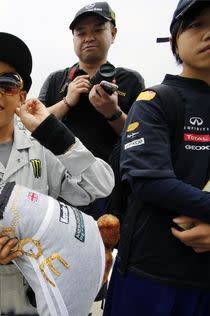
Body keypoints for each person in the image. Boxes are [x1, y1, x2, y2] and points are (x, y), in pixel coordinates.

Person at [0, 31, 114, 315]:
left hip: (35, 294)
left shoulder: (45, 152)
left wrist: (54, 132)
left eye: (8, 83)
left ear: (22, 96)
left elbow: (101, 186)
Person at [104, 1, 210, 315]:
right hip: (150, 280)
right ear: (174, 38)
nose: (208, 34)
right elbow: (150, 181)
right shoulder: (156, 100)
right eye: (196, 24)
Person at [38, 1, 145, 218]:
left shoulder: (130, 80)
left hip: (110, 191)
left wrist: (112, 113)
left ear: (113, 34)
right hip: (58, 190)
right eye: (81, 32)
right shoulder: (57, 79)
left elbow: (141, 138)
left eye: (98, 29)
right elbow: (32, 125)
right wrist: (66, 102)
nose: (88, 37)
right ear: (74, 39)